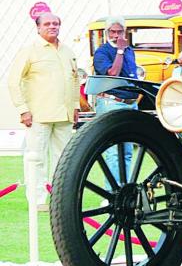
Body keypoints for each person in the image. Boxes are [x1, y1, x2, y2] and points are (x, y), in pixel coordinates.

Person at [7, 13, 80, 211]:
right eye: (47, 24)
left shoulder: (67, 51)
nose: (52, 27)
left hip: (64, 115)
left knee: (64, 159)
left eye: (56, 23)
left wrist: (75, 106)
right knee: (36, 158)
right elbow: (13, 82)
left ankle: (60, 199)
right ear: (38, 28)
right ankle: (37, 200)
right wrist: (23, 110)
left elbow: (75, 80)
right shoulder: (29, 51)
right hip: (38, 115)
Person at [92, 16, 139, 186]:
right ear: (107, 33)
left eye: (120, 31)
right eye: (113, 31)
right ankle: (112, 191)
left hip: (130, 103)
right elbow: (113, 73)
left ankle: (124, 188)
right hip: (112, 102)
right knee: (113, 150)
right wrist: (119, 51)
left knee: (127, 150)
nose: (117, 35)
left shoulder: (129, 50)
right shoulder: (102, 52)